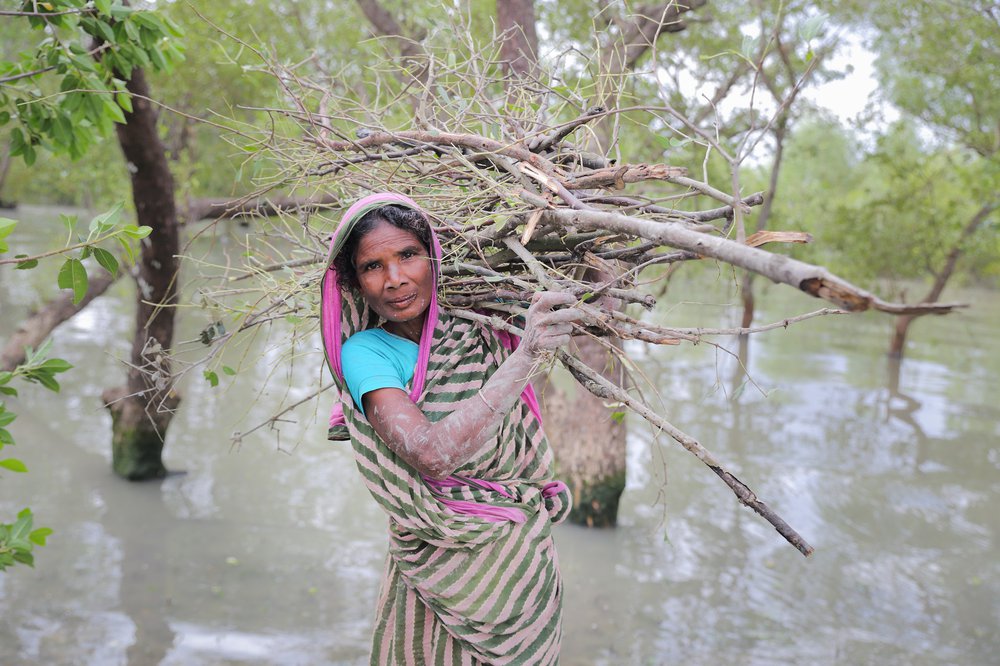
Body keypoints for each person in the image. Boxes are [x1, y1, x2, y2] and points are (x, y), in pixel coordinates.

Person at [320, 192, 581, 664]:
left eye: (407, 255)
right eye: (372, 266)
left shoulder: (482, 328)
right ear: (355, 283)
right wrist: (526, 355)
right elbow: (431, 454)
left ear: (434, 257)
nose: (395, 279)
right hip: (437, 562)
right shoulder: (366, 353)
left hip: (519, 562)